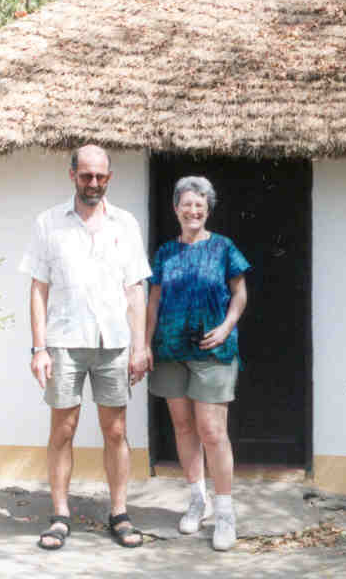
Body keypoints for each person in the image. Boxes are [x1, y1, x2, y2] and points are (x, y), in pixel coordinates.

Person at [20, 144, 151, 550]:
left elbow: (135, 288)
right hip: (64, 341)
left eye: (100, 176)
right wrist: (39, 348)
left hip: (113, 342)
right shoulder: (48, 223)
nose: (93, 183)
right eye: (86, 175)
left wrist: (140, 347)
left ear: (109, 177)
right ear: (72, 175)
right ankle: (60, 515)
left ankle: (119, 513)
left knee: (116, 430)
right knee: (63, 429)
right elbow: (38, 288)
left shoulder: (125, 223)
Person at [146, 175, 249, 552]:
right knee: (183, 426)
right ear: (176, 209)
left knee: (212, 431)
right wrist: (144, 344)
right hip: (170, 351)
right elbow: (153, 301)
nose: (193, 211)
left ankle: (225, 512)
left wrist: (226, 327)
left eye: (199, 205)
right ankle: (197, 500)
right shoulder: (164, 253)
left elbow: (240, 293)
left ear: (207, 209)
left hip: (212, 351)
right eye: (187, 204)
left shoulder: (223, 247)